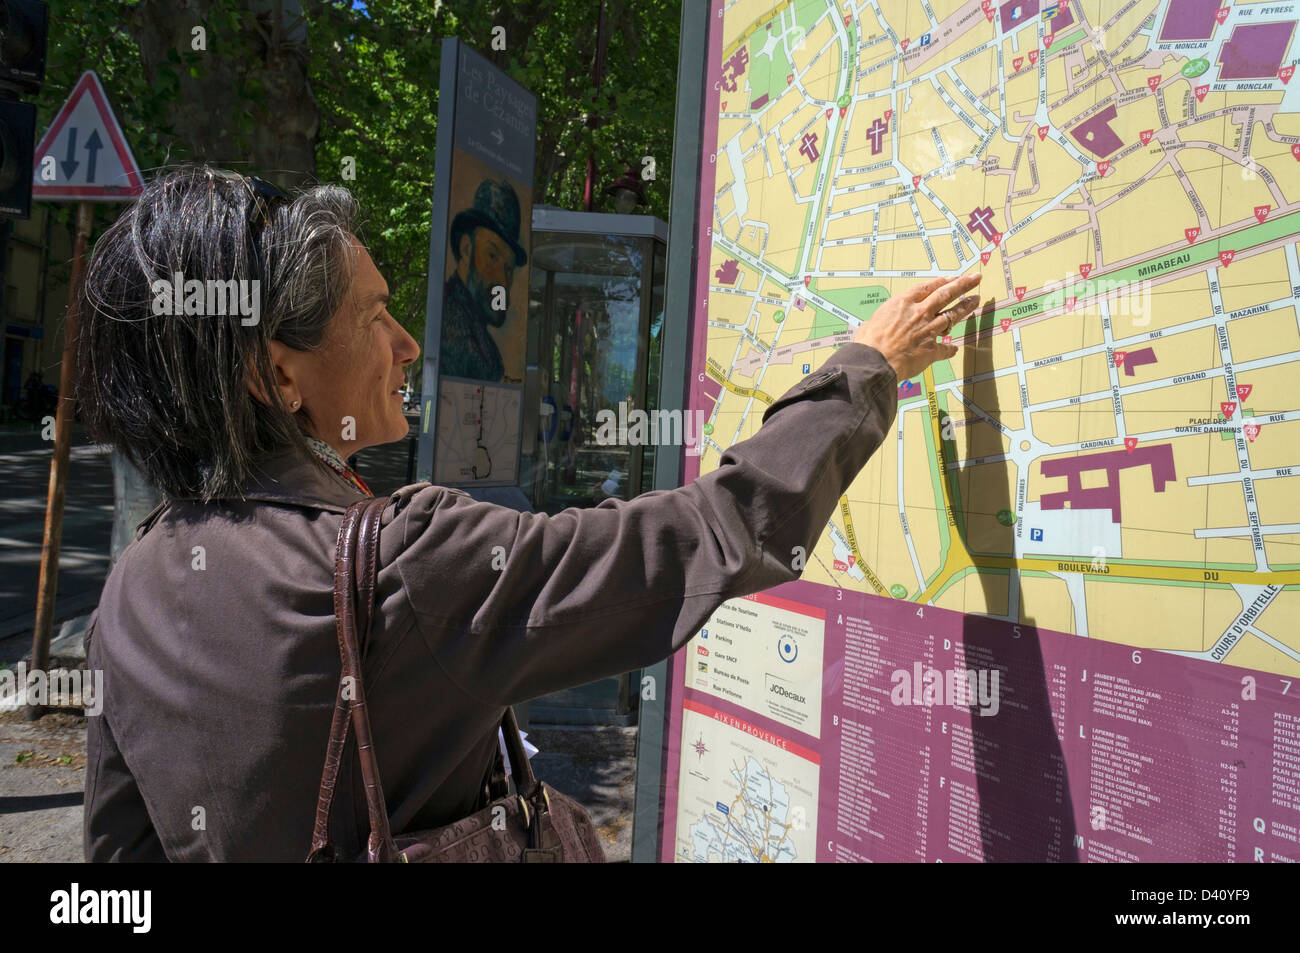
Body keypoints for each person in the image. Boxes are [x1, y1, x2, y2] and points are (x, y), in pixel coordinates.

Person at [75, 164, 980, 861]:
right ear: (278, 374)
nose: (407, 343)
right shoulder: (406, 560)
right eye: (374, 314)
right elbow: (711, 533)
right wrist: (867, 367)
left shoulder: (131, 589)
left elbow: (120, 857)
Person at [439, 178, 527, 383]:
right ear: (466, 249)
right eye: (492, 256)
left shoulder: (474, 327)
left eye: (508, 268)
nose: (502, 280)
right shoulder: (455, 330)